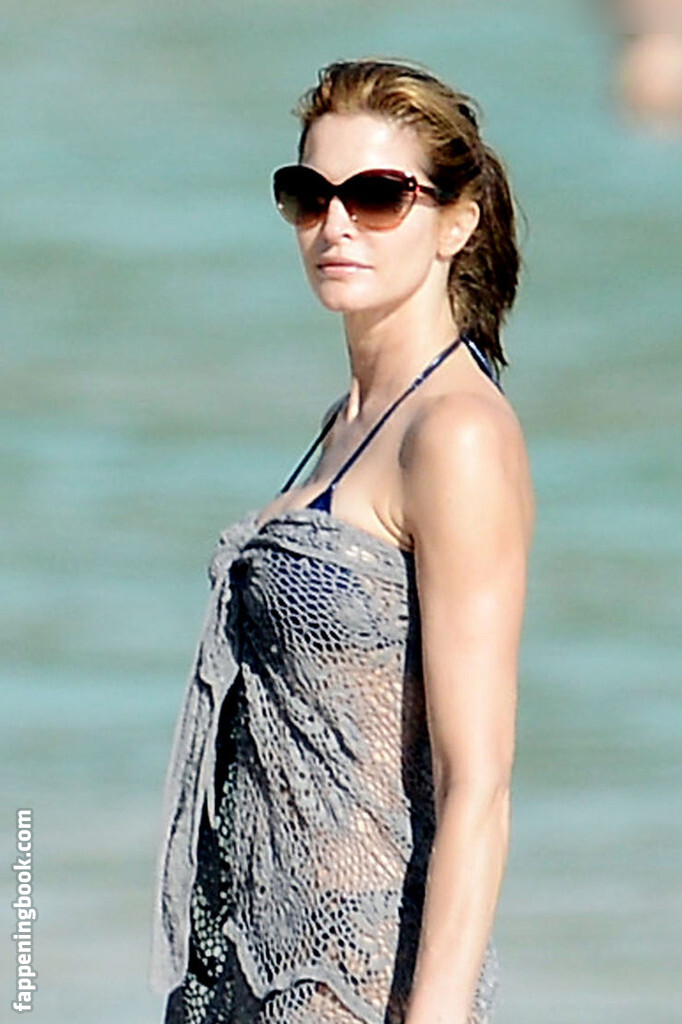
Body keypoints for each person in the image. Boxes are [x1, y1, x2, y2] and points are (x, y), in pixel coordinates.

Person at [150, 58, 534, 1024]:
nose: (335, 225)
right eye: (308, 194)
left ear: (457, 221)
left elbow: (478, 783)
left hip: (355, 977)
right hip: (252, 958)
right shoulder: (351, 420)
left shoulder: (455, 433)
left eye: (377, 196)